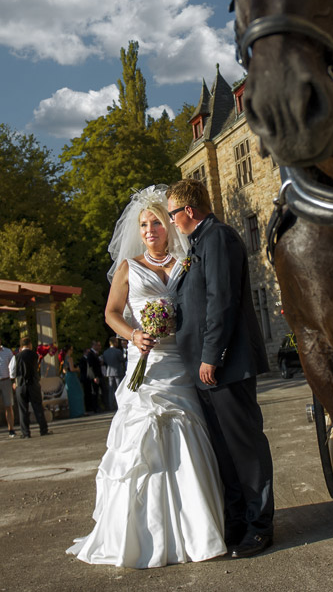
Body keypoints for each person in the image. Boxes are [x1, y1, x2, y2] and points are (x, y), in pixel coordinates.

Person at [68, 184, 227, 568]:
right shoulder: (128, 268)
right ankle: (142, 537)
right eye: (143, 225)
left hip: (179, 363)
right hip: (146, 363)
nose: (150, 229)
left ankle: (198, 532)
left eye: (156, 221)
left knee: (189, 436)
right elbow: (111, 313)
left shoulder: (185, 264)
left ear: (170, 224)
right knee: (141, 441)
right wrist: (132, 334)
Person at [167, 178, 274, 558]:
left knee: (245, 448)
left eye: (172, 214)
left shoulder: (219, 238)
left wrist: (211, 355)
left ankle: (260, 526)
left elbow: (222, 301)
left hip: (225, 365)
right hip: (204, 369)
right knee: (223, 452)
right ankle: (238, 522)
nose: (171, 221)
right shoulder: (197, 244)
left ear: (189, 211)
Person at [11, 336, 49, 437]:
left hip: (21, 384)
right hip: (33, 383)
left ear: (21, 345)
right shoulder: (35, 355)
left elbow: (12, 372)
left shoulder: (16, 356)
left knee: (23, 409)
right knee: (38, 407)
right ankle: (43, 429)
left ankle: (26, 432)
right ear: (30, 344)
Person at [100, 336, 125, 411]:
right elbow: (122, 360)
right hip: (118, 371)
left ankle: (111, 405)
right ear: (114, 342)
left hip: (109, 372)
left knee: (111, 390)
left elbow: (105, 362)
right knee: (119, 388)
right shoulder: (118, 351)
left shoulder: (105, 352)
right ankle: (120, 404)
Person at [61, 344, 85, 418]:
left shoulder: (64, 358)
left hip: (67, 377)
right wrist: (77, 369)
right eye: (71, 349)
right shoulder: (70, 358)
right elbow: (72, 369)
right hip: (72, 376)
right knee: (78, 393)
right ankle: (79, 411)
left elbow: (64, 370)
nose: (72, 351)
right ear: (69, 350)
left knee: (71, 394)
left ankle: (74, 411)